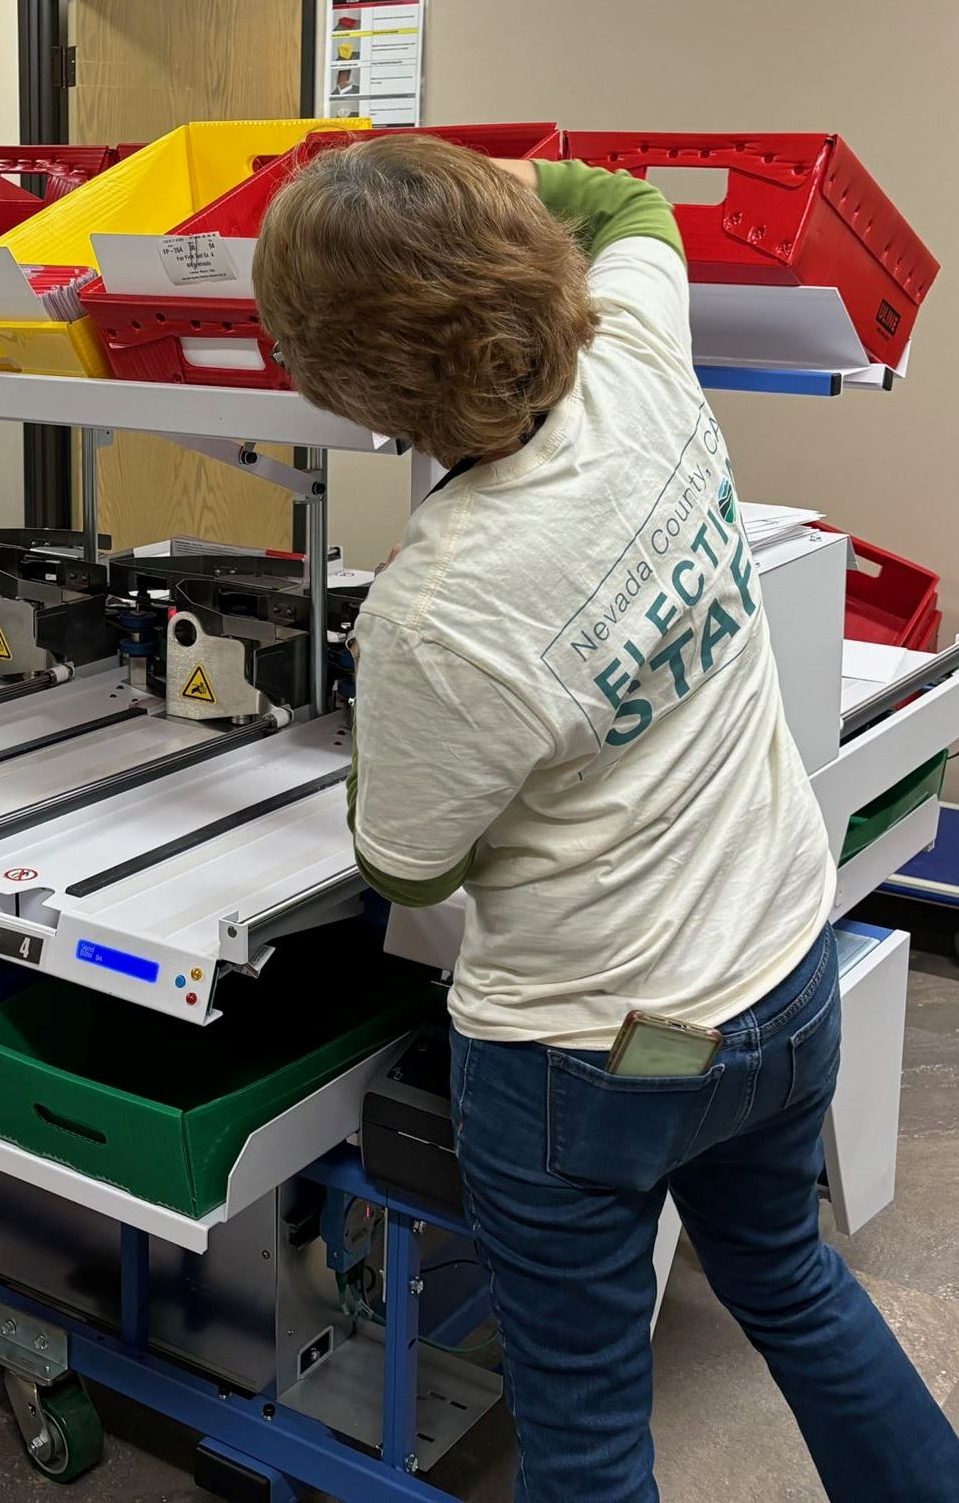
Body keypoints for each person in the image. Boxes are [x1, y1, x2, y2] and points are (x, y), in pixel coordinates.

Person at [252, 136, 959, 1503]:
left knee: (582, 1427)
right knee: (792, 1283)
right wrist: (474, 185)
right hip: (774, 968)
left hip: (590, 1052)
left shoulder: (436, 604)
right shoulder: (639, 359)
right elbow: (630, 201)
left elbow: (405, 857)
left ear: (347, 385)